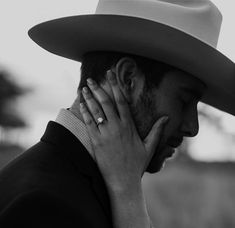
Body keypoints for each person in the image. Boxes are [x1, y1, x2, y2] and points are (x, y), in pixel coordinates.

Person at [0, 0, 235, 227]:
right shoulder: (43, 206)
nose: (192, 127)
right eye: (183, 100)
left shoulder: (67, 183)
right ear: (127, 79)